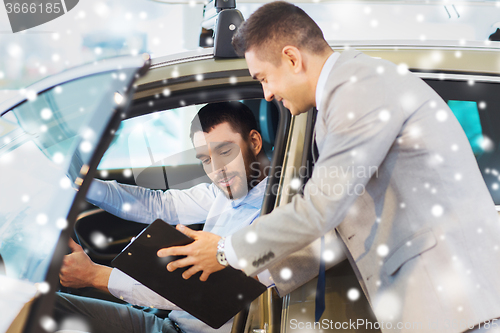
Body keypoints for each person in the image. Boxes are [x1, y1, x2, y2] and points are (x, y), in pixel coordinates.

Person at [158, 2, 500, 333]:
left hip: (459, 306)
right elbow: (339, 228)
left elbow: (321, 209)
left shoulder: (358, 89)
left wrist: (223, 250)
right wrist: (258, 272)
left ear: (292, 58)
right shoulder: (335, 108)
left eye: (264, 78)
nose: (266, 94)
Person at [55, 102, 276, 333]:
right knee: (46, 305)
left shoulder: (274, 215)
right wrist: (84, 186)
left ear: (254, 142)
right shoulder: (227, 192)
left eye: (225, 152)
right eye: (206, 159)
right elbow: (160, 205)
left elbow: (207, 295)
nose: (217, 169)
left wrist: (95, 276)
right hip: (170, 323)